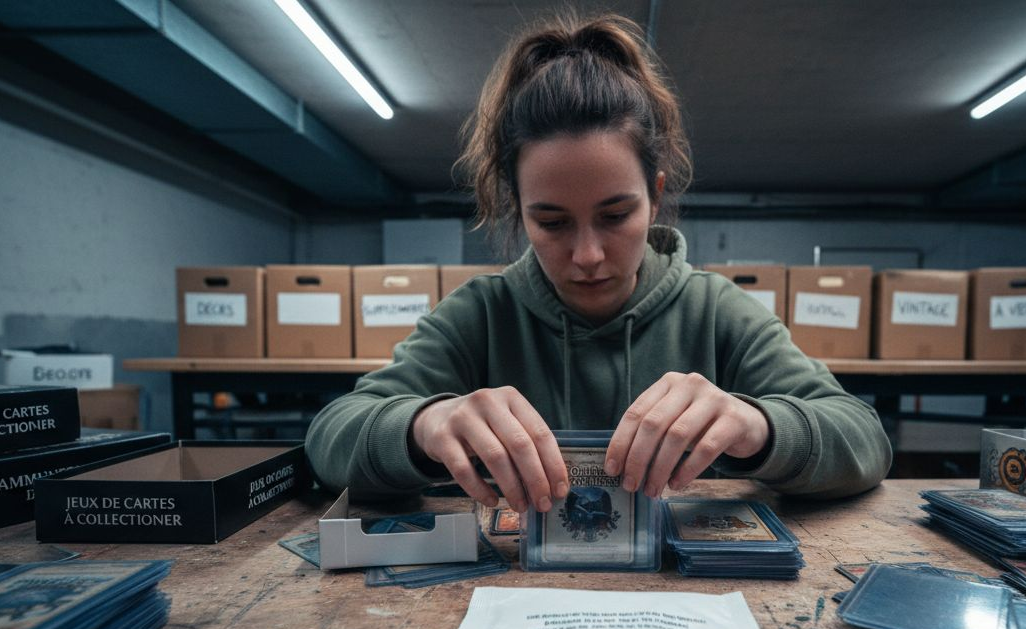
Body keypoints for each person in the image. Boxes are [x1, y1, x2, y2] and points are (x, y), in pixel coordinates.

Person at [306, 12, 891, 515]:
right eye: (552, 222)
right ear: (518, 209)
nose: (587, 255)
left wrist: (759, 427)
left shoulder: (717, 312)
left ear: (654, 196)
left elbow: (864, 438)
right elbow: (330, 438)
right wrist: (424, 425)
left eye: (615, 215)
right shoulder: (479, 315)